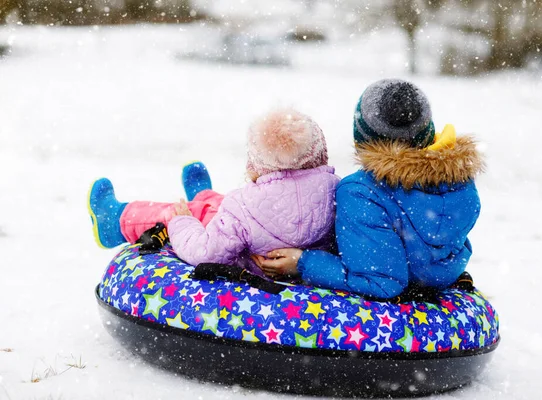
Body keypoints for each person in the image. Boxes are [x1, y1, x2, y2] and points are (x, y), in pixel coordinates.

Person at [257, 79, 484, 299]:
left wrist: (303, 262)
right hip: (440, 278)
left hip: (392, 293)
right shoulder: (459, 178)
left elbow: (381, 282)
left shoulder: (361, 192)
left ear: (364, 139)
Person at [88, 109, 340, 276]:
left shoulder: (242, 206)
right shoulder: (337, 191)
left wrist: (182, 222)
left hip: (251, 263)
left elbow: (205, 253)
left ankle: (116, 221)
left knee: (183, 214)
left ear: (257, 163)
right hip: (293, 262)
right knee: (220, 207)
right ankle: (204, 195)